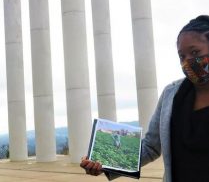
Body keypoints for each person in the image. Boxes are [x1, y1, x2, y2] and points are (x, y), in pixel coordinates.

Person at [80, 15, 209, 182]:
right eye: (181, 56)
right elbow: (150, 147)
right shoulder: (171, 95)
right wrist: (107, 165)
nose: (187, 61)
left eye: (194, 52)